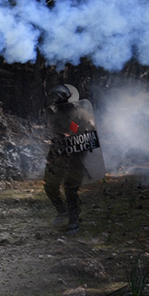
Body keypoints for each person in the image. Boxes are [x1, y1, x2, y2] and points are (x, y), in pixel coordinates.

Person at [43, 84, 96, 235]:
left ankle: (73, 219)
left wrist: (74, 138)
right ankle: (62, 211)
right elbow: (54, 134)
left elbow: (90, 137)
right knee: (50, 185)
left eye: (59, 98)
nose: (57, 101)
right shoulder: (56, 114)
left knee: (70, 188)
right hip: (58, 154)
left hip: (75, 157)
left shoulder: (81, 115)